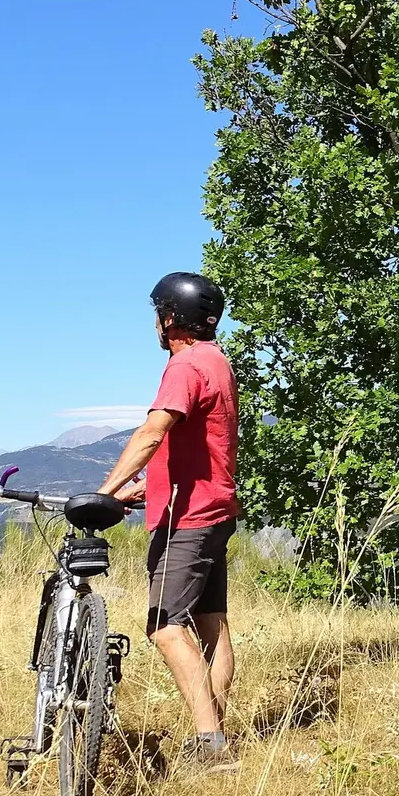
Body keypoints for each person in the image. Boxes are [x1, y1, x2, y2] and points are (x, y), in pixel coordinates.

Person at [97, 271, 241, 769]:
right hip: (215, 508)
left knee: (164, 625)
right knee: (210, 626)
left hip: (189, 518)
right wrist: (148, 487)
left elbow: (152, 433)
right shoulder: (217, 362)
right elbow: (202, 445)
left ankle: (210, 745)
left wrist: (104, 492)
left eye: (157, 313)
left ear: (169, 319)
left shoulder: (184, 366)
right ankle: (214, 733)